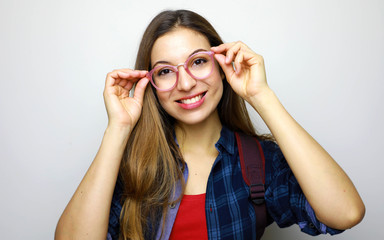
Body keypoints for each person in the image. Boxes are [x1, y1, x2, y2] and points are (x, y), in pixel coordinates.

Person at [55, 9, 365, 240]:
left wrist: (260, 95)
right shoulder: (129, 166)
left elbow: (346, 213)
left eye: (198, 62)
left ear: (221, 65)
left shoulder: (257, 163)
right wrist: (118, 129)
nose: (186, 83)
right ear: (150, 83)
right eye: (165, 71)